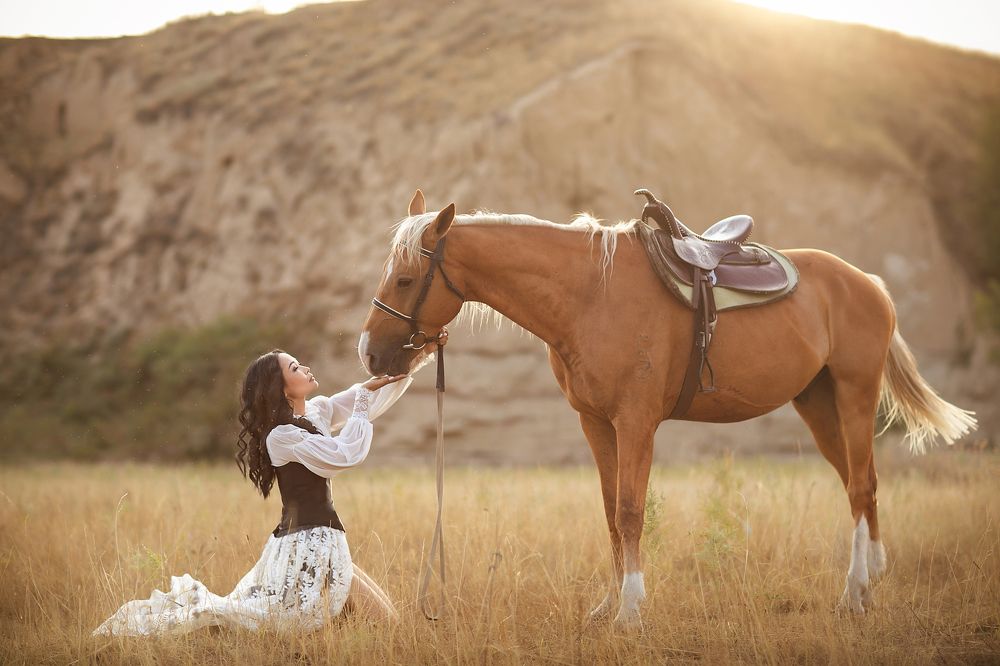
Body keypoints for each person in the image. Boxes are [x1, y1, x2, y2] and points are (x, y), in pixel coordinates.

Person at [93, 331, 446, 636]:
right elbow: (343, 455)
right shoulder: (282, 436)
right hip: (306, 548)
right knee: (386, 626)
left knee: (386, 623)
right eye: (295, 368)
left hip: (326, 544)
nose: (305, 368)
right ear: (280, 387)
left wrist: (425, 351)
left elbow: (371, 393)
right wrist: (363, 399)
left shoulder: (317, 412)